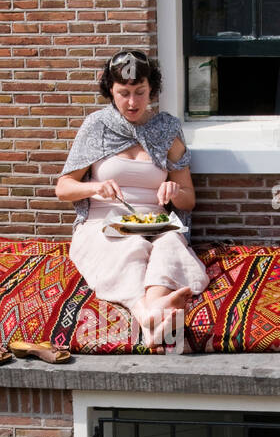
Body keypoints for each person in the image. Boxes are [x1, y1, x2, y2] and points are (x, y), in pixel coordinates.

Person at [55, 50, 209, 347]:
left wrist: (174, 193)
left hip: (154, 220)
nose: (132, 102)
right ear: (110, 91)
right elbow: (63, 187)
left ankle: (153, 314)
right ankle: (150, 314)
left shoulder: (167, 129)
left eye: (140, 93)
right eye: (123, 93)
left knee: (170, 246)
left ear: (152, 90)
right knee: (132, 247)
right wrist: (94, 188)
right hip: (104, 221)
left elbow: (189, 200)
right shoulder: (96, 126)